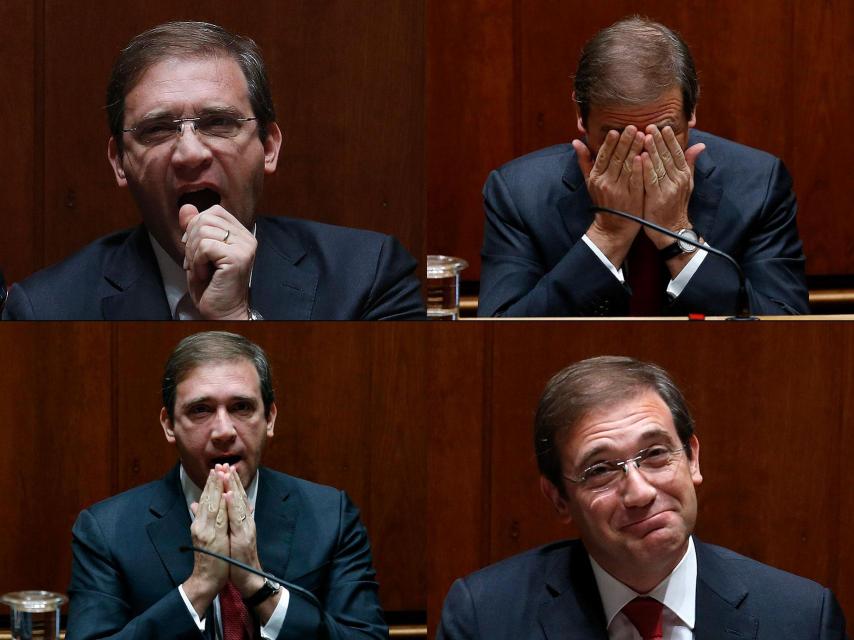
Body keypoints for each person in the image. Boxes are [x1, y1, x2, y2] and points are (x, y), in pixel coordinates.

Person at [3, 21, 424, 320]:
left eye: (218, 123)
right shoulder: (43, 308)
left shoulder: (369, 276)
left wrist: (236, 318)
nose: (189, 154)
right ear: (119, 162)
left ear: (269, 147)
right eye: (157, 129)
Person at [437, 356, 847, 639]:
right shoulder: (485, 617)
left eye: (654, 455)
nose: (639, 492)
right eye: (600, 470)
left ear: (692, 459)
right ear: (559, 498)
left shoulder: (802, 617)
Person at [478, 16, 808, 317]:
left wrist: (678, 234)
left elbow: (786, 325)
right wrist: (607, 236)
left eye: (664, 133)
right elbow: (501, 329)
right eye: (618, 137)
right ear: (581, 117)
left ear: (691, 113)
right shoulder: (519, 193)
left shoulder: (758, 183)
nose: (642, 154)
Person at [67, 331, 386, 639]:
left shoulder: (332, 516)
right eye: (200, 410)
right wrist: (200, 586)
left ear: (270, 419)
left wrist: (259, 588)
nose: (223, 431)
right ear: (169, 425)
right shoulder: (106, 531)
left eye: (241, 407)